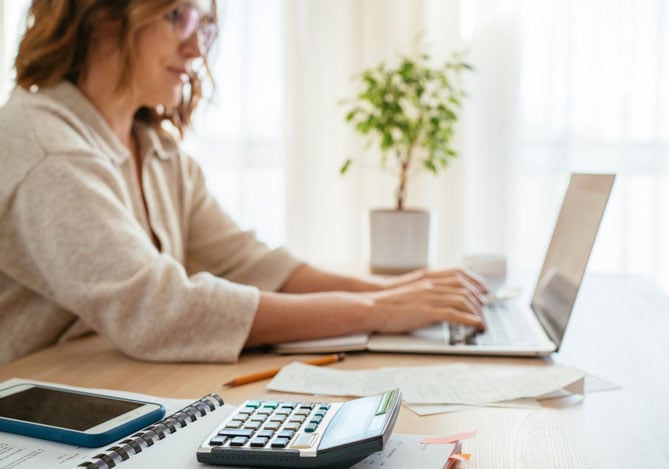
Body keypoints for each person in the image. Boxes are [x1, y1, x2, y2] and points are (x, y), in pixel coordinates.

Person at [0, 0, 486, 366]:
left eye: (202, 27)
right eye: (179, 17)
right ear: (102, 15)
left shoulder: (157, 150)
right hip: (37, 418)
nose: (195, 48)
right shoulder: (49, 148)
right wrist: (376, 308)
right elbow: (159, 310)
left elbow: (248, 263)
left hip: (103, 386)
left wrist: (395, 289)